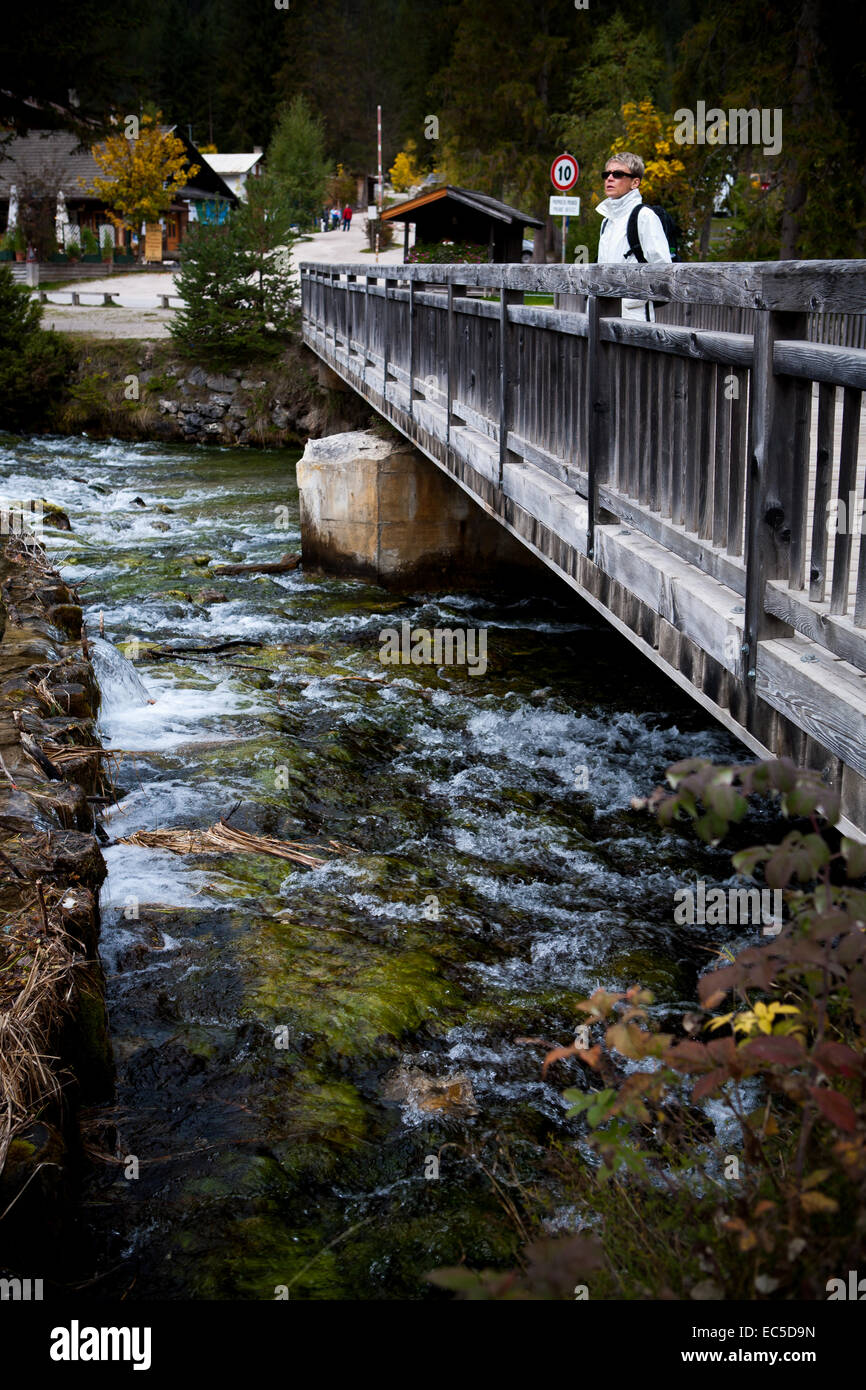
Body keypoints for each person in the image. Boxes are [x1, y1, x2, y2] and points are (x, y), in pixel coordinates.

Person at [595, 152, 671, 321]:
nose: (609, 178)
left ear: (635, 182)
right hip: (604, 313)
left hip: (635, 317)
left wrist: (634, 298)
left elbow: (663, 270)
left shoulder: (645, 216)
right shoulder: (606, 221)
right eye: (606, 174)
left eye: (618, 174)